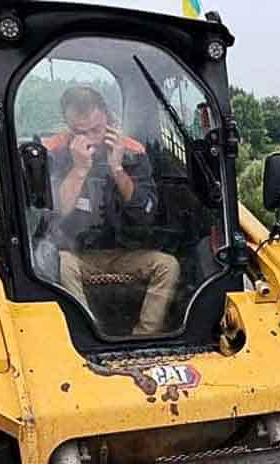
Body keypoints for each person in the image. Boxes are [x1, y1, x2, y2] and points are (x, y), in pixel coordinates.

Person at [44, 86, 180, 336]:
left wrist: (117, 168)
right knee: (59, 263)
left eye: (95, 130)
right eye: (80, 132)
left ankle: (144, 337)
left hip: (126, 252)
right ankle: (89, 334)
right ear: (68, 125)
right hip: (77, 254)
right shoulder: (54, 152)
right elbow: (56, 212)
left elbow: (144, 213)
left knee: (167, 265)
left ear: (106, 116)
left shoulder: (133, 151)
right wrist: (80, 169)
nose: (90, 139)